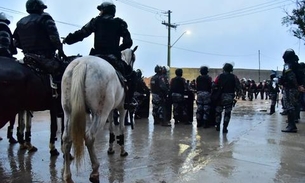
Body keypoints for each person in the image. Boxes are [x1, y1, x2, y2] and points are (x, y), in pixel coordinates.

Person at [63, 1, 135, 109]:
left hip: (96, 55)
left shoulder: (96, 21)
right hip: (112, 57)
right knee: (132, 76)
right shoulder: (120, 23)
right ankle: (128, 102)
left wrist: (68, 39)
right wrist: (117, 49)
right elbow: (128, 42)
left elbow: (82, 33)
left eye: (101, 9)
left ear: (104, 10)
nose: (100, 12)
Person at [13, 0, 66, 74]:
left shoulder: (20, 22)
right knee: (63, 71)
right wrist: (61, 51)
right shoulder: (45, 19)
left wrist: (28, 49)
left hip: (27, 57)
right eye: (42, 8)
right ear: (39, 8)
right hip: (45, 58)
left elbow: (16, 42)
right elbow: (54, 38)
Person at [281, 49, 304, 133]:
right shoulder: (296, 64)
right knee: (295, 104)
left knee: (289, 106)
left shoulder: (287, 65)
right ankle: (293, 121)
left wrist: (296, 86)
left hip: (290, 88)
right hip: (296, 89)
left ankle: (291, 126)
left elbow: (291, 76)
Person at [214, 63, 240, 133]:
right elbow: (238, 87)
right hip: (229, 97)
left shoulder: (219, 76)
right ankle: (225, 128)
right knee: (227, 113)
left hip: (220, 97)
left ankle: (218, 126)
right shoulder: (234, 77)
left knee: (218, 112)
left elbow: (214, 85)